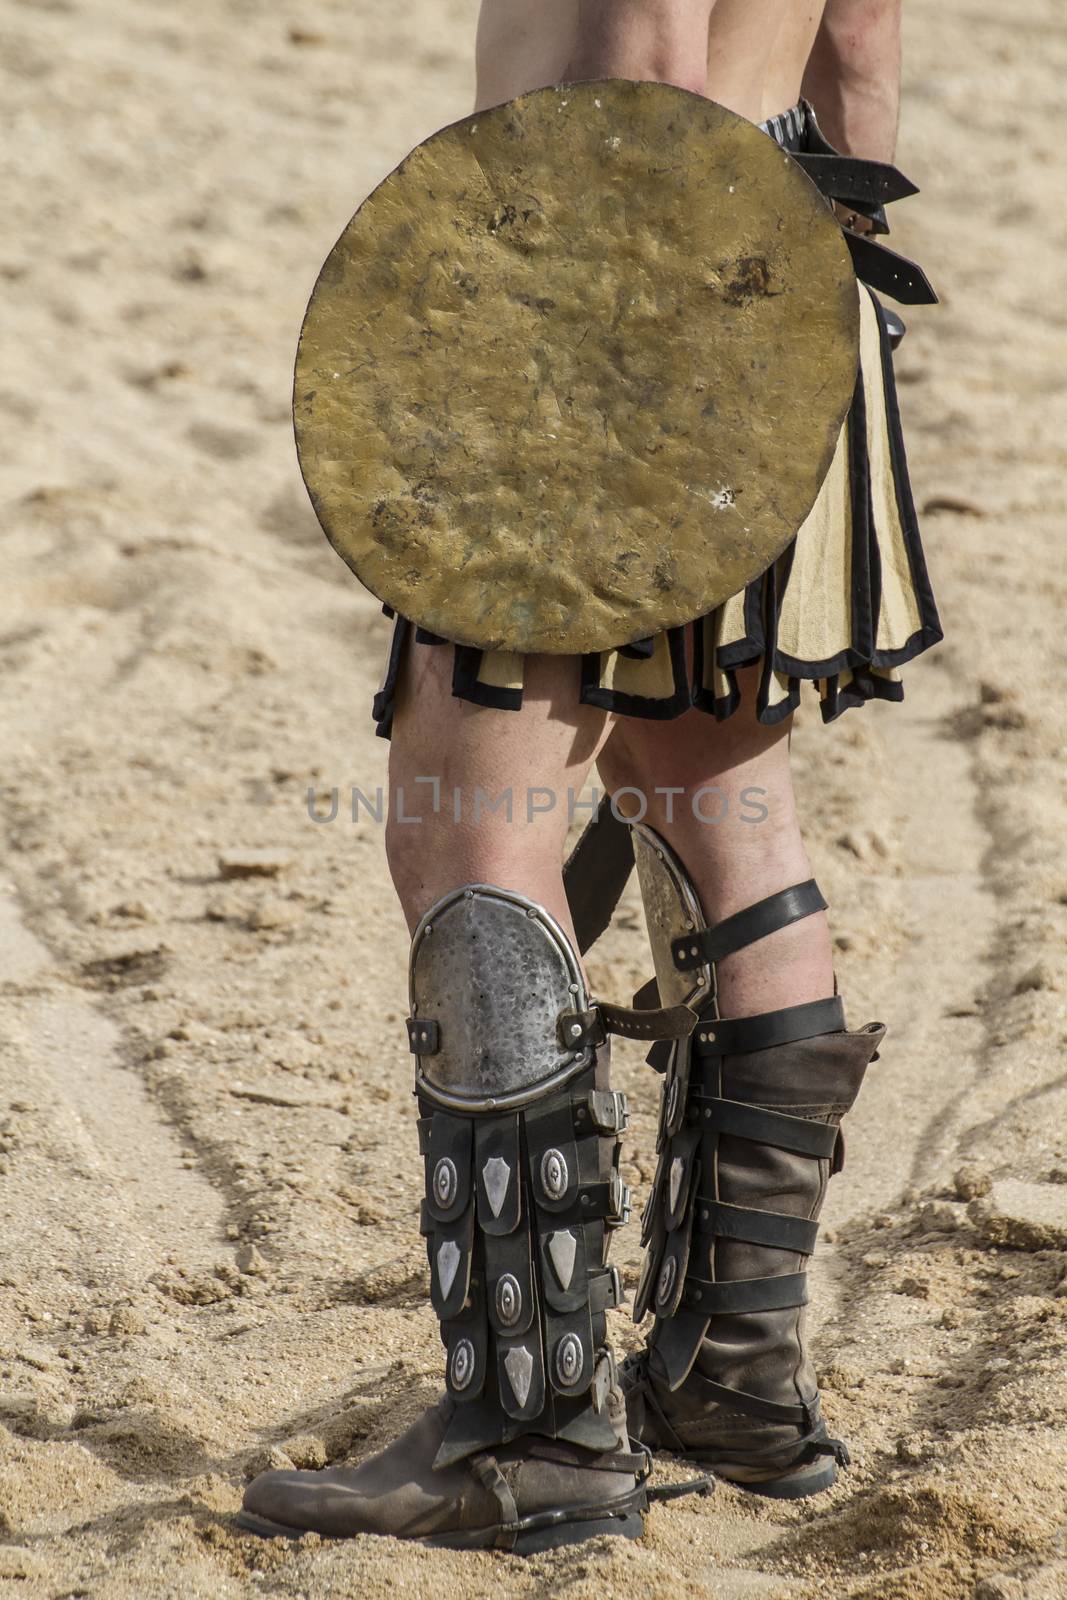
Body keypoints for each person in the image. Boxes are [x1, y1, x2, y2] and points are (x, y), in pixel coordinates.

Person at [239, 0, 941, 1550]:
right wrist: (816, 338)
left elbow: (644, 64)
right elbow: (865, 49)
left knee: (472, 836)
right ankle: (735, 1390)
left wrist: (596, 361)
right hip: (785, 249)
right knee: (724, 813)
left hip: (604, 262)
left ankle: (530, 1435)